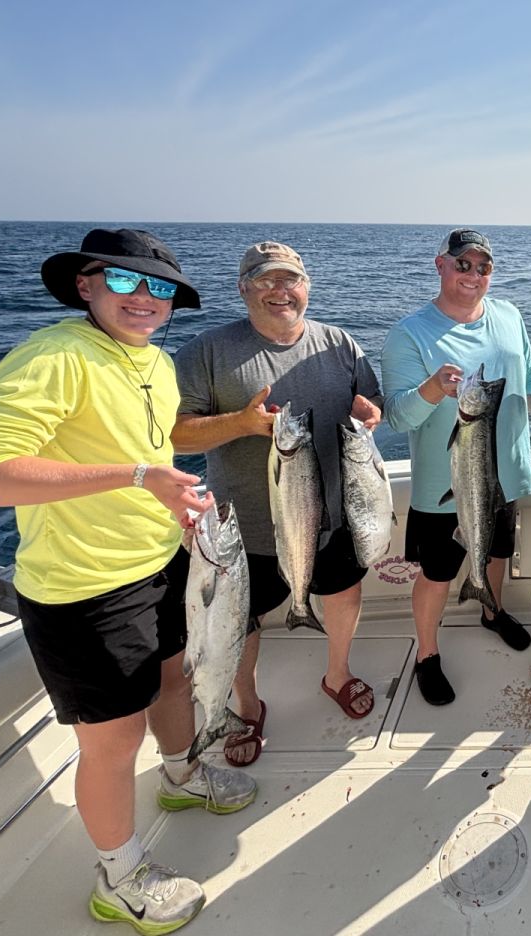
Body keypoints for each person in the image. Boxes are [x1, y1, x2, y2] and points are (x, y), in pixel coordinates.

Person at [0, 229, 256, 935]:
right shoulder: (55, 356)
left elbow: (149, 444)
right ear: (84, 286)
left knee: (177, 679)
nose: (144, 297)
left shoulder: (155, 361)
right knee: (113, 742)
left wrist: (171, 501)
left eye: (159, 287)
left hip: (163, 560)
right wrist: (138, 476)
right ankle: (119, 878)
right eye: (122, 281)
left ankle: (182, 776)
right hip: (85, 587)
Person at [171, 241, 384, 764]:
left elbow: (372, 399)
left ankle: (337, 674)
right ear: (243, 288)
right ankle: (247, 705)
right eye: (266, 281)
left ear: (306, 287)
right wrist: (241, 424)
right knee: (240, 622)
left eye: (291, 280)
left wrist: (371, 411)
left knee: (343, 593)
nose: (280, 291)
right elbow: (175, 434)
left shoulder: (339, 342)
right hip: (242, 527)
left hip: (330, 513)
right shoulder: (206, 351)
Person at [381, 229, 531, 706]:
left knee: (496, 552)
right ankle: (426, 655)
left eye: (483, 267)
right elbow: (397, 417)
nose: (473, 274)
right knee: (437, 573)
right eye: (463, 264)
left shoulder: (509, 315)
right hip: (445, 486)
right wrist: (433, 389)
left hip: (505, 475)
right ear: (440, 265)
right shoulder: (409, 333)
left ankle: (491, 611)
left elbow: (529, 380)